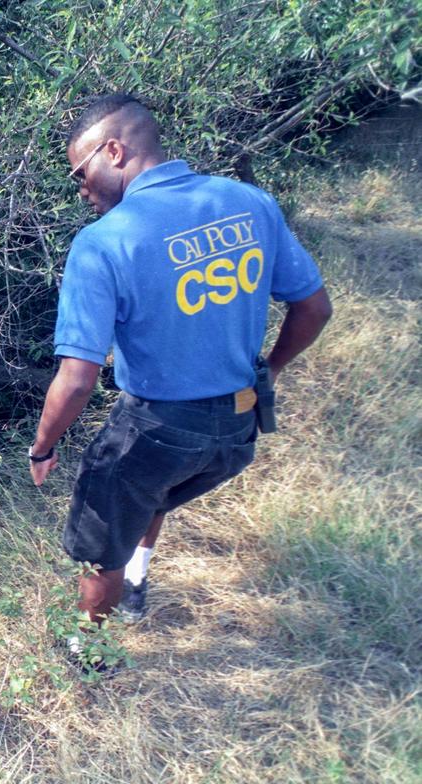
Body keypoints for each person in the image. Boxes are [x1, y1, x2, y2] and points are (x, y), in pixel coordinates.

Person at [28, 93, 332, 629]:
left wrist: (43, 446)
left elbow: (77, 380)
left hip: (160, 425)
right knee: (153, 492)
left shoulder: (102, 244)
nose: (81, 189)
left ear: (114, 152)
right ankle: (139, 583)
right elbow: (313, 306)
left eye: (81, 171)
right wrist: (272, 371)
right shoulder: (249, 201)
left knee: (102, 540)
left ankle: (89, 654)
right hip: (238, 430)